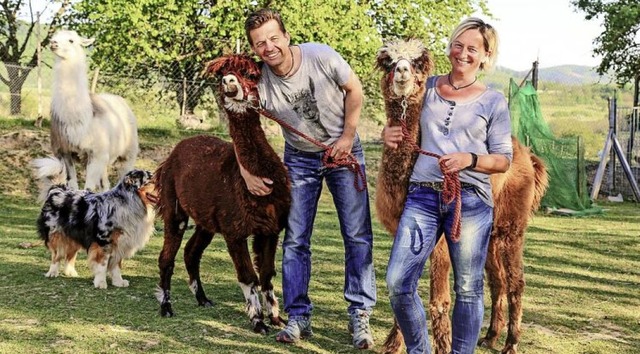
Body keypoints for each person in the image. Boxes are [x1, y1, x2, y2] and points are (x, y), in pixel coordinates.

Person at [243, 8, 376, 349]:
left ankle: (360, 314)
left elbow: (354, 89)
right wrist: (245, 170)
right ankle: (298, 316)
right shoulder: (258, 83)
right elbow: (241, 125)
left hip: (343, 150)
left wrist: (347, 137)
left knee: (357, 234)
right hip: (300, 158)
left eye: (274, 38)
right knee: (296, 238)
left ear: (286, 37)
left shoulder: (320, 56)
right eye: (260, 43)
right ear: (254, 49)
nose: (269, 47)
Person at [382, 17, 512, 354]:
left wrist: (469, 158)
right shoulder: (426, 86)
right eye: (458, 45)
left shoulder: (493, 101)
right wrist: (388, 133)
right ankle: (420, 350)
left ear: (485, 56)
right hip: (422, 193)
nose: (463, 53)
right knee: (398, 282)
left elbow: (502, 160)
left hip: (469, 197)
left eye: (473, 49)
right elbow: (401, 115)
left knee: (467, 287)